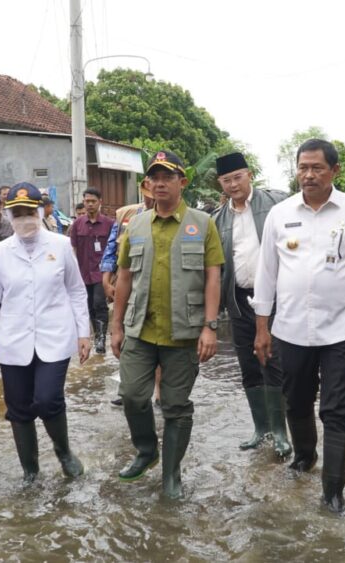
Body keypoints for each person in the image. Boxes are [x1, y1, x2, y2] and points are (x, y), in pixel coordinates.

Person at [253, 139, 345, 513]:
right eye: (303, 168)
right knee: (295, 399)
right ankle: (305, 457)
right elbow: (266, 274)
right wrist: (262, 327)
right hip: (291, 328)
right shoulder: (280, 215)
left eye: (317, 168)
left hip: (343, 328)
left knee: (337, 408)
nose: (308, 175)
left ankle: (333, 492)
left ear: (335, 171)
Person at [110, 150, 224, 499]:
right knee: (131, 395)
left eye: (167, 177)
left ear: (182, 182)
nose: (159, 183)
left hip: (184, 332)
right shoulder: (137, 224)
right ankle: (147, 450)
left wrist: (210, 327)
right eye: (154, 177)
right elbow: (124, 277)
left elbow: (212, 277)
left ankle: (171, 475)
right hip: (140, 329)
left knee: (176, 406)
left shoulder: (202, 224)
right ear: (147, 184)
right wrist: (115, 326)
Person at [0, 182, 91, 483]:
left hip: (55, 337)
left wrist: (83, 333)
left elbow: (76, 291)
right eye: (18, 213)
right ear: (9, 216)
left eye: (29, 212)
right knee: (19, 408)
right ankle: (30, 471)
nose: (24, 218)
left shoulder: (60, 246)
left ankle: (63, 453)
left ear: (40, 212)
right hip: (14, 341)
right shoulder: (0, 252)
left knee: (49, 399)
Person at [211, 152, 291, 457]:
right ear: (221, 183)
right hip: (238, 299)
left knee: (274, 361)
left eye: (238, 177)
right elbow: (217, 268)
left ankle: (281, 432)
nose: (233, 185)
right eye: (227, 180)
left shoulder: (275, 205)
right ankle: (261, 428)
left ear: (250, 175)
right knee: (247, 365)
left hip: (275, 299)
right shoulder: (219, 219)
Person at [101, 180, 157, 407]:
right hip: (126, 287)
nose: (149, 198)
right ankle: (127, 388)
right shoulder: (126, 215)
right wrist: (106, 279)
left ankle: (160, 392)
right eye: (146, 193)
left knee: (157, 339)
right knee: (124, 337)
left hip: (155, 287)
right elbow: (111, 249)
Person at [70, 187, 114, 354]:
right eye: (87, 201)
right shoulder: (77, 224)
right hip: (82, 273)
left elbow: (114, 249)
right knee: (88, 306)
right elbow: (72, 248)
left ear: (100, 202)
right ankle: (96, 335)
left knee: (99, 304)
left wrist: (112, 275)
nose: (89, 204)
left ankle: (101, 339)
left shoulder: (109, 224)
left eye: (93, 201)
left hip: (101, 273)